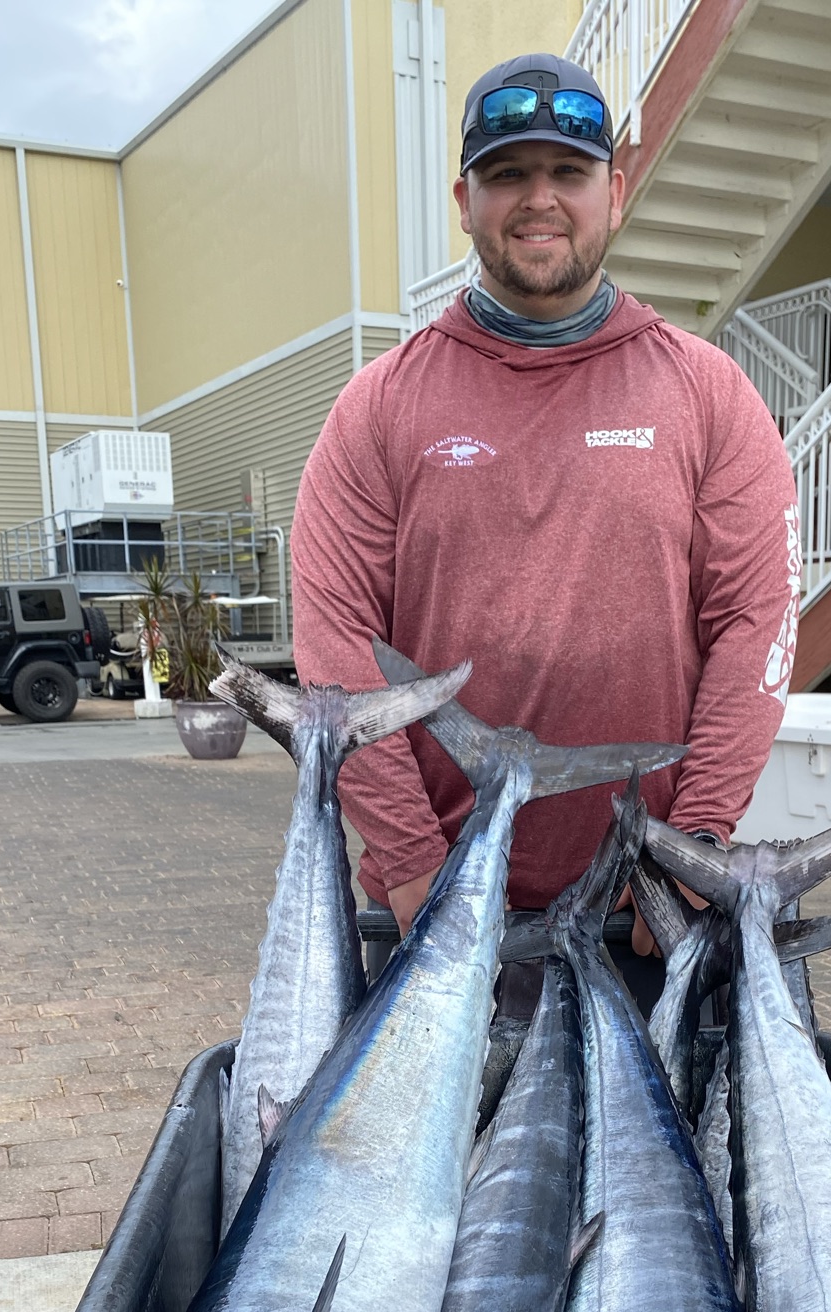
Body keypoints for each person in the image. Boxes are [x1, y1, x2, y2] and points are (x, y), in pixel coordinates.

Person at [291, 51, 800, 996]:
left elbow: (756, 622)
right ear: (464, 198)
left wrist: (695, 841)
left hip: (642, 918)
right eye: (508, 175)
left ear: (615, 191)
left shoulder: (707, 393)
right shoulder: (380, 405)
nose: (540, 200)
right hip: (435, 920)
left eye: (567, 173)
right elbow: (333, 641)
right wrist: (407, 861)